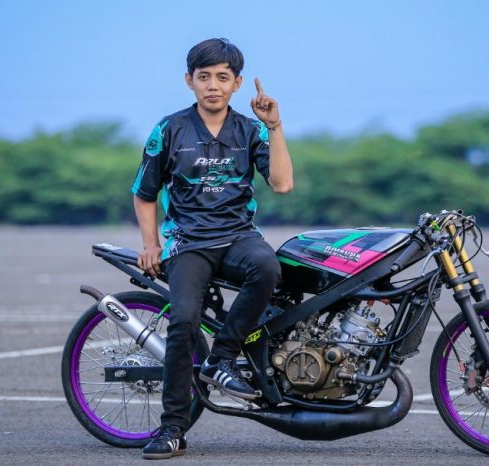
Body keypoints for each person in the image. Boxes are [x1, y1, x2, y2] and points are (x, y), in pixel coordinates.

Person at [131, 38, 293, 460]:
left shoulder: (250, 130)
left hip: (239, 237)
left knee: (268, 267)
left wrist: (275, 127)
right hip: (188, 243)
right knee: (183, 322)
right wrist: (150, 244)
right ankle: (172, 429)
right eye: (204, 77)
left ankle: (220, 359)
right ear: (190, 81)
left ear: (237, 83)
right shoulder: (169, 129)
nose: (213, 86)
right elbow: (144, 193)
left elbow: (282, 184)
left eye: (223, 77)